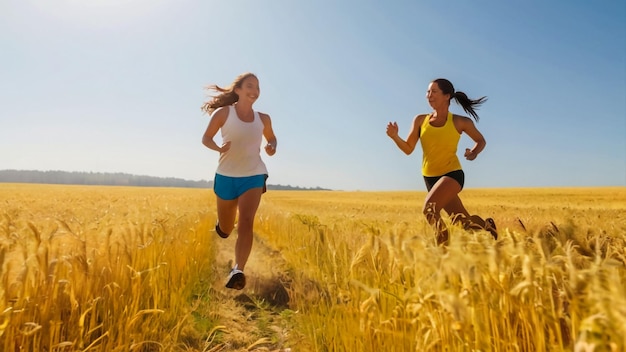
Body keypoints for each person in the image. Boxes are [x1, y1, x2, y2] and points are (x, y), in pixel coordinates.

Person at [386, 78, 497, 245]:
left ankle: (442, 253)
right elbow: (408, 148)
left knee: (429, 210)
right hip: (430, 178)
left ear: (447, 96)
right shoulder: (420, 120)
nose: (429, 95)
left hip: (452, 174)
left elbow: (481, 140)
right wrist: (395, 136)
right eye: (427, 92)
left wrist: (473, 153)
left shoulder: (460, 122)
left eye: (433, 91)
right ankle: (488, 227)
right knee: (462, 222)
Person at [201, 72, 277, 289]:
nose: (255, 91)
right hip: (226, 176)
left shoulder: (263, 119)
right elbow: (206, 138)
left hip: (253, 175)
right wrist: (218, 147)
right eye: (250, 86)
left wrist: (272, 146)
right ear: (238, 90)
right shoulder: (224, 113)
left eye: (257, 87)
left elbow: (271, 138)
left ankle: (238, 270)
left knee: (246, 221)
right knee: (226, 227)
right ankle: (223, 227)